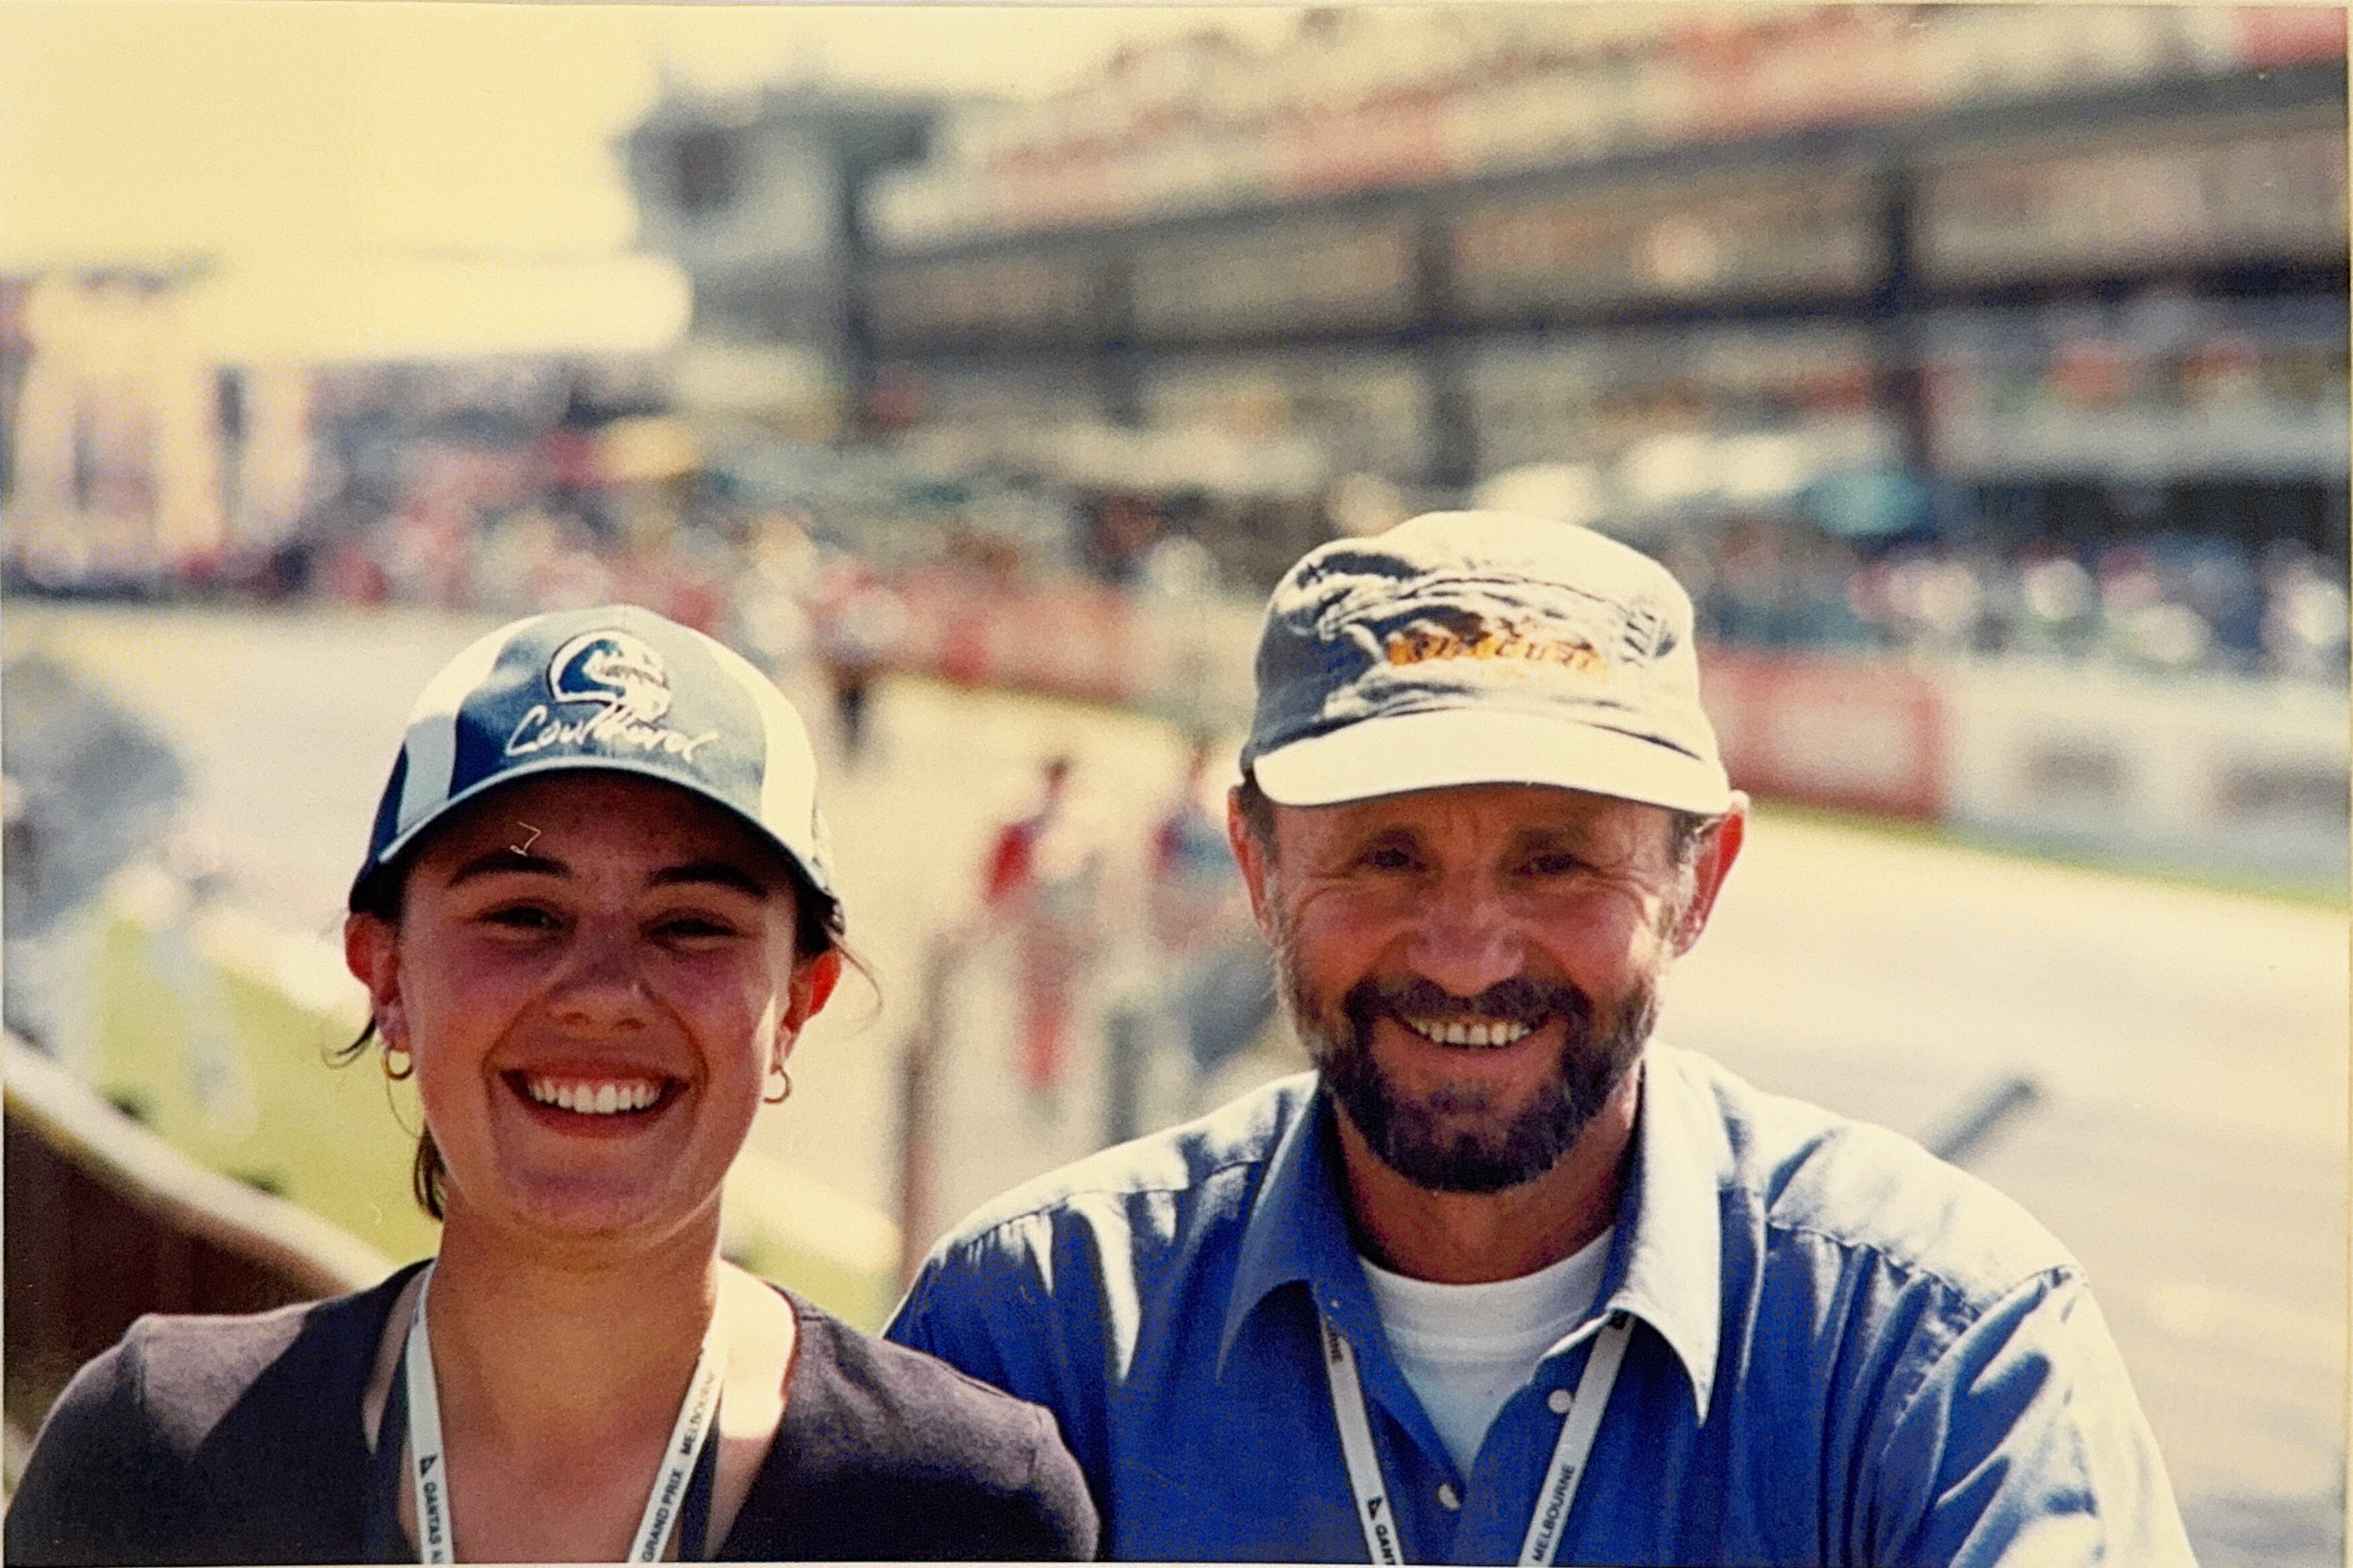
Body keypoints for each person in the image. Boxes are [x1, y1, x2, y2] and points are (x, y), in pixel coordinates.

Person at [887, 511, 2194, 1565]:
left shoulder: (1936, 1343)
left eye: (1557, 860)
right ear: (1259, 864)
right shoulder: (1033, 1327)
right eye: (1387, 856)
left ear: (1700, 878)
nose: (1468, 950)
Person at [7, 604, 1097, 1564]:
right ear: (384, 973)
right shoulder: (155, 1452)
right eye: (524, 912)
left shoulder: (972, 1506)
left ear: (797, 1004)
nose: (604, 993)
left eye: (691, 925)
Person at [978, 755, 1102, 1120]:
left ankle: (1051, 1077)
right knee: (1035, 1006)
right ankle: (1034, 1077)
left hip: (1068, 933)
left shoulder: (1084, 826)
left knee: (1061, 1008)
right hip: (1034, 931)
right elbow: (999, 878)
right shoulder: (1025, 825)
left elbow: (1096, 887)